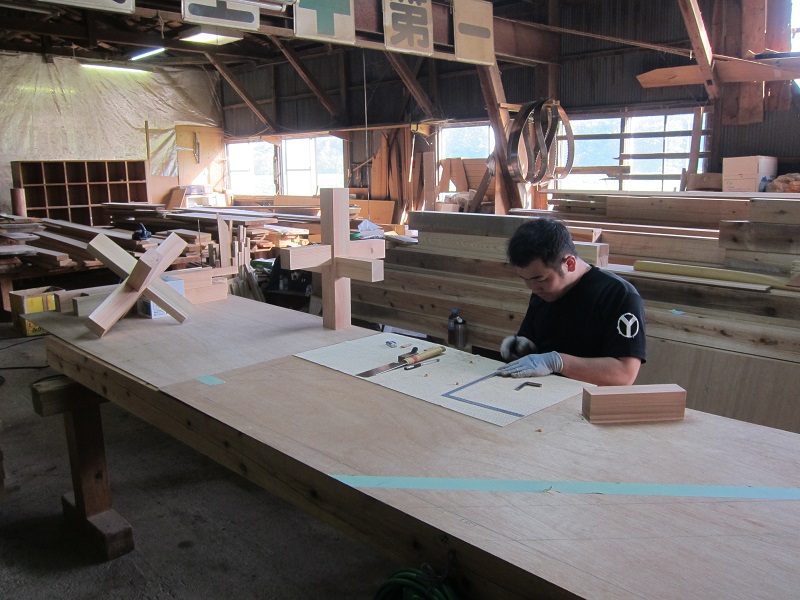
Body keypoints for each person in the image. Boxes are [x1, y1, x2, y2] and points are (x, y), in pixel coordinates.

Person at [496, 218, 646, 386]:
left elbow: (624, 374)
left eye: (540, 279)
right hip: (543, 391)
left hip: (589, 397)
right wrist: (522, 347)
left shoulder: (617, 295)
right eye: (525, 279)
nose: (533, 288)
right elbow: (534, 342)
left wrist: (558, 362)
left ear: (569, 263)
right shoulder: (543, 291)